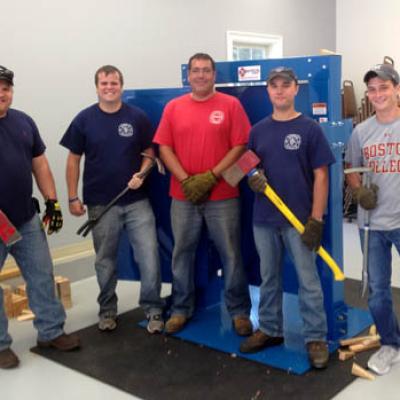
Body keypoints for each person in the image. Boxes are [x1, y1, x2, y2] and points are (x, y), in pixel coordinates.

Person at [239, 67, 335, 369]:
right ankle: (269, 329)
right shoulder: (257, 130)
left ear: (296, 90)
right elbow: (246, 164)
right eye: (274, 86)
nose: (279, 91)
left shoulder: (309, 129)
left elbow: (322, 176)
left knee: (308, 280)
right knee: (269, 278)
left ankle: (315, 337)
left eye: (286, 85)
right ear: (268, 91)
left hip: (299, 221)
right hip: (264, 219)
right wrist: (251, 177)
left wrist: (316, 220)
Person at [153, 52, 252, 335]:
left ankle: (239, 311)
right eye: (195, 70)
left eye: (206, 70)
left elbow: (240, 146)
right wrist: (186, 180)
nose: (200, 75)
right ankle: (181, 308)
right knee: (181, 252)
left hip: (223, 195)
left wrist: (211, 176)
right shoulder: (173, 107)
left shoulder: (231, 105)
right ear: (188, 75)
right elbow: (164, 147)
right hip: (182, 196)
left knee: (231, 254)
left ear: (214, 74)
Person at [60, 65, 164, 334]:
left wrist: (142, 173)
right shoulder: (84, 120)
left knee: (150, 255)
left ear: (121, 86)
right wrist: (72, 197)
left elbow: (150, 152)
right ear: (97, 87)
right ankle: (107, 310)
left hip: (137, 201)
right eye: (104, 83)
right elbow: (73, 160)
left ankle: (153, 309)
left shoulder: (137, 117)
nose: (109, 87)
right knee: (105, 260)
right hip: (100, 204)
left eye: (114, 83)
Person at [0, 65, 80, 369]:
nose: (1, 93)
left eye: (6, 88)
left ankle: (51, 332)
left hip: (25, 218)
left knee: (42, 275)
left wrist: (52, 203)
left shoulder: (23, 122)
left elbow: (40, 164)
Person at [345, 63, 400, 375]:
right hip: (373, 226)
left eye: (384, 87)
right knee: (378, 290)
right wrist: (359, 192)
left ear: (397, 89)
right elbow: (352, 169)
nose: (378, 94)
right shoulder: (360, 131)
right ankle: (390, 344)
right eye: (373, 89)